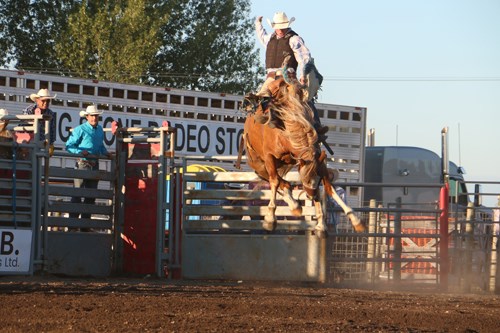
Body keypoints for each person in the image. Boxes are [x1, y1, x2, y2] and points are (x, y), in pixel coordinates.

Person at [255, 11, 328, 136]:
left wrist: (303, 75)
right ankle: (267, 121)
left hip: (288, 77)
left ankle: (316, 125)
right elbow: (262, 36)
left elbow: (304, 57)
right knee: (259, 99)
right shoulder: (271, 39)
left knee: (303, 99)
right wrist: (258, 24)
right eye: (278, 27)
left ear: (287, 26)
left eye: (282, 27)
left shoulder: (294, 39)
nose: (280, 30)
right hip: (271, 77)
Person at [66, 105, 110, 220]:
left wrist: (107, 153)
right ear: (87, 116)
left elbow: (100, 146)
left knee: (91, 195)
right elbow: (69, 145)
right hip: (83, 163)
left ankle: (84, 224)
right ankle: (74, 223)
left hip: (94, 163)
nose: (94, 118)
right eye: (92, 116)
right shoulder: (80, 129)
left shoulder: (100, 129)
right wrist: (80, 151)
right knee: (78, 193)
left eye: (96, 116)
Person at [23, 88, 57, 153]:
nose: (45, 103)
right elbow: (24, 125)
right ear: (37, 100)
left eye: (48, 101)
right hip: (28, 142)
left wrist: (51, 144)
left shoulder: (51, 114)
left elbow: (52, 131)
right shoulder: (30, 110)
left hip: (42, 143)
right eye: (43, 101)